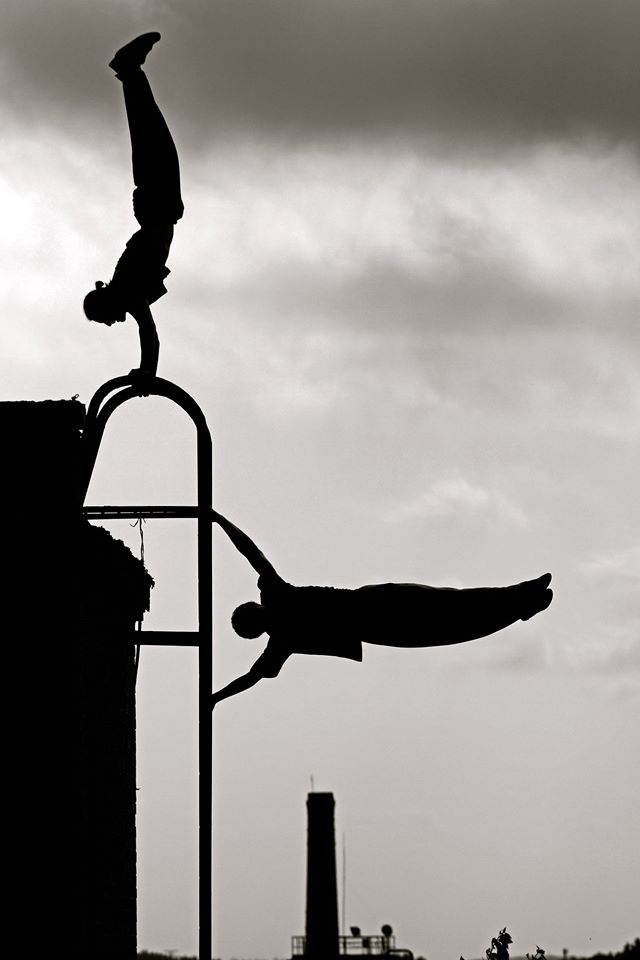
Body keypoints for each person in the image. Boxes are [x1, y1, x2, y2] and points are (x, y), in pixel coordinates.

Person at [210, 509, 553, 707]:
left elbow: (250, 553)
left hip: (373, 609)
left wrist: (214, 699)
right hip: (374, 617)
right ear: (255, 615)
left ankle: (521, 598)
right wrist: (219, 522)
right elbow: (251, 553)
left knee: (450, 609)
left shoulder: (278, 612)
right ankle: (521, 603)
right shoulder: (279, 625)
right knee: (450, 617)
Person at [83, 32, 184, 379]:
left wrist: (146, 374)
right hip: (155, 205)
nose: (112, 323)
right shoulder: (123, 286)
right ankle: (129, 70)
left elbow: (149, 334)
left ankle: (129, 68)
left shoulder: (126, 292)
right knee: (150, 130)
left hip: (157, 205)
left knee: (150, 130)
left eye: (104, 318)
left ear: (106, 304)